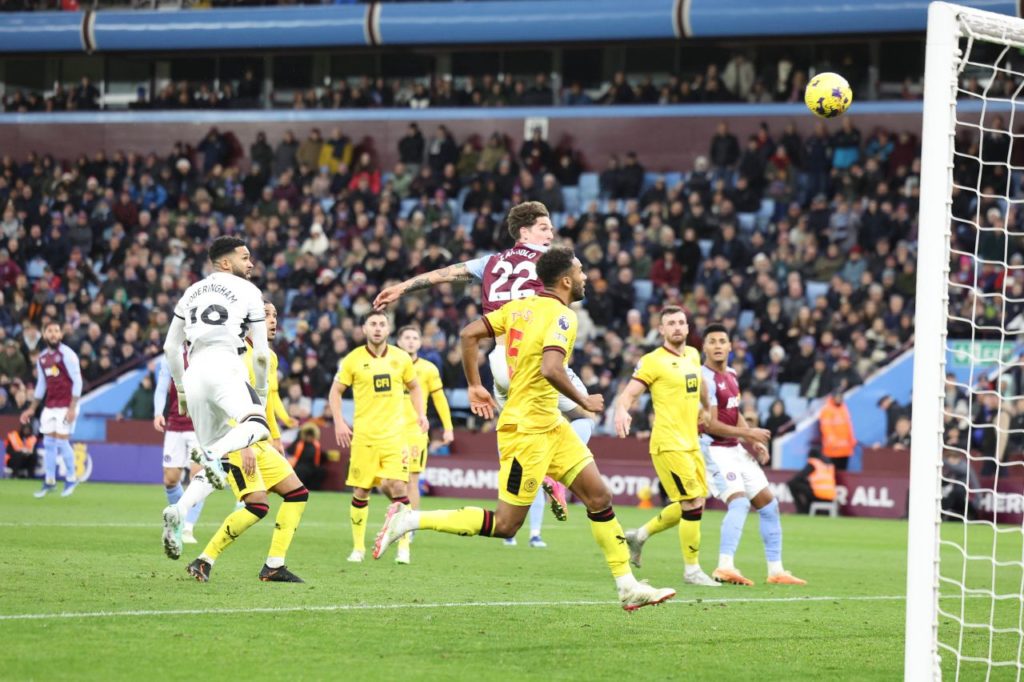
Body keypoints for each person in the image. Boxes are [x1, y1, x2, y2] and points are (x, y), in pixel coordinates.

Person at [374, 247, 676, 610]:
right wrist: (583, 400)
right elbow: (551, 368)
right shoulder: (563, 317)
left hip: (551, 425)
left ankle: (627, 585)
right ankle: (409, 519)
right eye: (580, 272)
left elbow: (469, 334)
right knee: (505, 525)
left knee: (599, 497)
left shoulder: (519, 307)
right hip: (526, 431)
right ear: (565, 280)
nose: (584, 278)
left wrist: (475, 383)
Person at [373, 200, 590, 536]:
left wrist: (402, 287)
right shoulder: (549, 265)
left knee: (525, 435)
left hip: (497, 362)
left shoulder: (490, 262)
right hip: (527, 357)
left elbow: (444, 274)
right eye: (544, 228)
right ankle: (550, 474)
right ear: (525, 231)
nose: (551, 234)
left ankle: (525, 497)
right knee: (583, 415)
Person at [163, 300, 293, 559]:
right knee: (255, 499)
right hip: (239, 433)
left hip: (256, 435)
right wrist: (243, 444)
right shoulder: (237, 356)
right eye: (266, 315)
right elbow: (234, 403)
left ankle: (180, 511)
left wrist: (276, 436)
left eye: (275, 315)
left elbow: (266, 400)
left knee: (218, 474)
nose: (272, 320)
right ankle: (210, 556)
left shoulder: (270, 357)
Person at [613, 307, 718, 587]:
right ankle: (692, 570)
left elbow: (700, 384)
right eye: (670, 323)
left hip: (691, 442)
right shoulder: (652, 361)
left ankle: (640, 535)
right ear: (661, 330)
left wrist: (707, 408)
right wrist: (622, 411)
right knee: (692, 503)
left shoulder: (693, 355)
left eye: (681, 322)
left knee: (695, 503)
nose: (677, 327)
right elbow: (629, 394)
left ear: (687, 326)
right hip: (668, 443)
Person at [160, 236, 272, 490]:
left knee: (216, 462)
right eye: (245, 258)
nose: (251, 264)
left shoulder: (191, 291)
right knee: (257, 425)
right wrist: (262, 392)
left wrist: (180, 388)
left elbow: (170, 347)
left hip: (193, 374)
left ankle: (178, 514)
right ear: (225, 263)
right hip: (225, 365)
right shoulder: (250, 291)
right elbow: (262, 354)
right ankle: (212, 453)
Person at [700, 323, 806, 586]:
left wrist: (752, 441)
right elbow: (710, 424)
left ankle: (776, 571)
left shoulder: (732, 375)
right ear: (704, 347)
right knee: (739, 502)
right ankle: (724, 566)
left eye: (721, 341)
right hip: (714, 449)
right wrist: (750, 435)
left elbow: (734, 414)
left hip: (735, 448)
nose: (717, 345)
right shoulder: (704, 379)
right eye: (711, 341)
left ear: (730, 346)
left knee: (769, 505)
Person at [329, 311, 428, 565]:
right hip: (364, 437)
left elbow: (415, 386)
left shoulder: (401, 358)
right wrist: (339, 422)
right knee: (361, 490)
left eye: (382, 324)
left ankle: (404, 547)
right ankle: (358, 548)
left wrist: (421, 414)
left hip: (395, 437)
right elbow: (335, 392)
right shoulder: (352, 360)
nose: (377, 328)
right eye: (372, 324)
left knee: (398, 486)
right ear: (364, 329)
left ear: (388, 329)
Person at [184, 438, 309, 583]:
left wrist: (275, 437)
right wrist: (244, 444)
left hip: (261, 442)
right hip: (240, 446)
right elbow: (236, 416)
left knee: (297, 494)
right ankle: (204, 560)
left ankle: (274, 565)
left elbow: (266, 413)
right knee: (257, 506)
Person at [396, 324, 454, 515]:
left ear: (420, 343)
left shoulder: (428, 369)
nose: (411, 341)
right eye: (407, 337)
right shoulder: (388, 367)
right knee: (394, 480)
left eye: (414, 338)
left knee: (412, 479)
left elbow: (439, 399)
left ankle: (409, 526)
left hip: (415, 431)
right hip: (390, 430)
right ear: (398, 342)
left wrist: (448, 427)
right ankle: (396, 520)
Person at [20, 321, 82, 498]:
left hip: (66, 405)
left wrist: (72, 408)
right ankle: (49, 481)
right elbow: (41, 385)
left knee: (62, 441)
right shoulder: (42, 358)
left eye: (56, 331)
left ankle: (71, 478)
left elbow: (78, 382)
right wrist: (31, 408)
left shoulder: (67, 355)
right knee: (48, 443)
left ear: (61, 335)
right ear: (44, 334)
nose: (53, 334)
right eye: (50, 331)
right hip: (50, 405)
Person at [154, 354, 205, 550]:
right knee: (170, 478)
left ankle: (187, 527)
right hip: (174, 424)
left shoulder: (205, 351)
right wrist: (159, 412)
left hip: (198, 426)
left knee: (198, 475)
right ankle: (180, 518)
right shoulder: (170, 355)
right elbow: (161, 387)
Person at [787, 450, 836, 514]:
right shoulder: (828, 465)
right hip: (831, 497)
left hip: (818, 495)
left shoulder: (813, 463)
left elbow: (798, 478)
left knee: (792, 484)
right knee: (806, 487)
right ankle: (806, 509)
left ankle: (801, 511)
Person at [820, 388, 857, 470]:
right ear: (833, 398)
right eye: (837, 397)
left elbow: (848, 426)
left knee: (843, 471)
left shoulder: (844, 409)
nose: (839, 399)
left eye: (840, 397)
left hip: (845, 448)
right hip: (833, 449)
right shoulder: (827, 410)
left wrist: (852, 440)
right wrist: (833, 443)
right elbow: (826, 428)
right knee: (834, 471)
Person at [288, 423, 326, 491]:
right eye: (308, 435)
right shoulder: (299, 443)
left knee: (321, 471)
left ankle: (314, 489)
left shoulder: (316, 445)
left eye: (311, 436)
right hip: (300, 465)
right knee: (301, 470)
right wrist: (299, 437)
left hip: (312, 466)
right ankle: (299, 489)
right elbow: (289, 450)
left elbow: (321, 456)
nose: (309, 437)